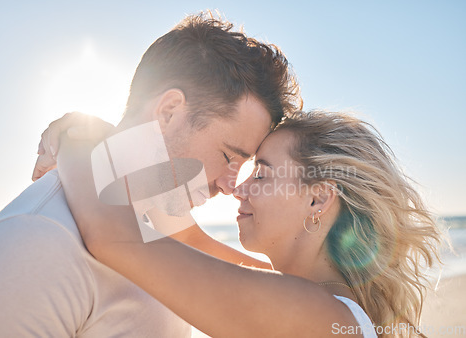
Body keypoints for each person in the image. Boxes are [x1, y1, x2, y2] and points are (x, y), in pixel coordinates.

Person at [0, 12, 299, 337]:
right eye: (229, 156)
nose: (230, 186)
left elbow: (254, 282)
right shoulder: (35, 244)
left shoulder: (160, 217)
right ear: (168, 111)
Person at [51, 110, 442, 337]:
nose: (239, 190)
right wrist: (125, 144)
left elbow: (113, 238)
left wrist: (78, 142)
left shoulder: (311, 312)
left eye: (262, 175)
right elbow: (187, 238)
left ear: (318, 198)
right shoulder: (327, 307)